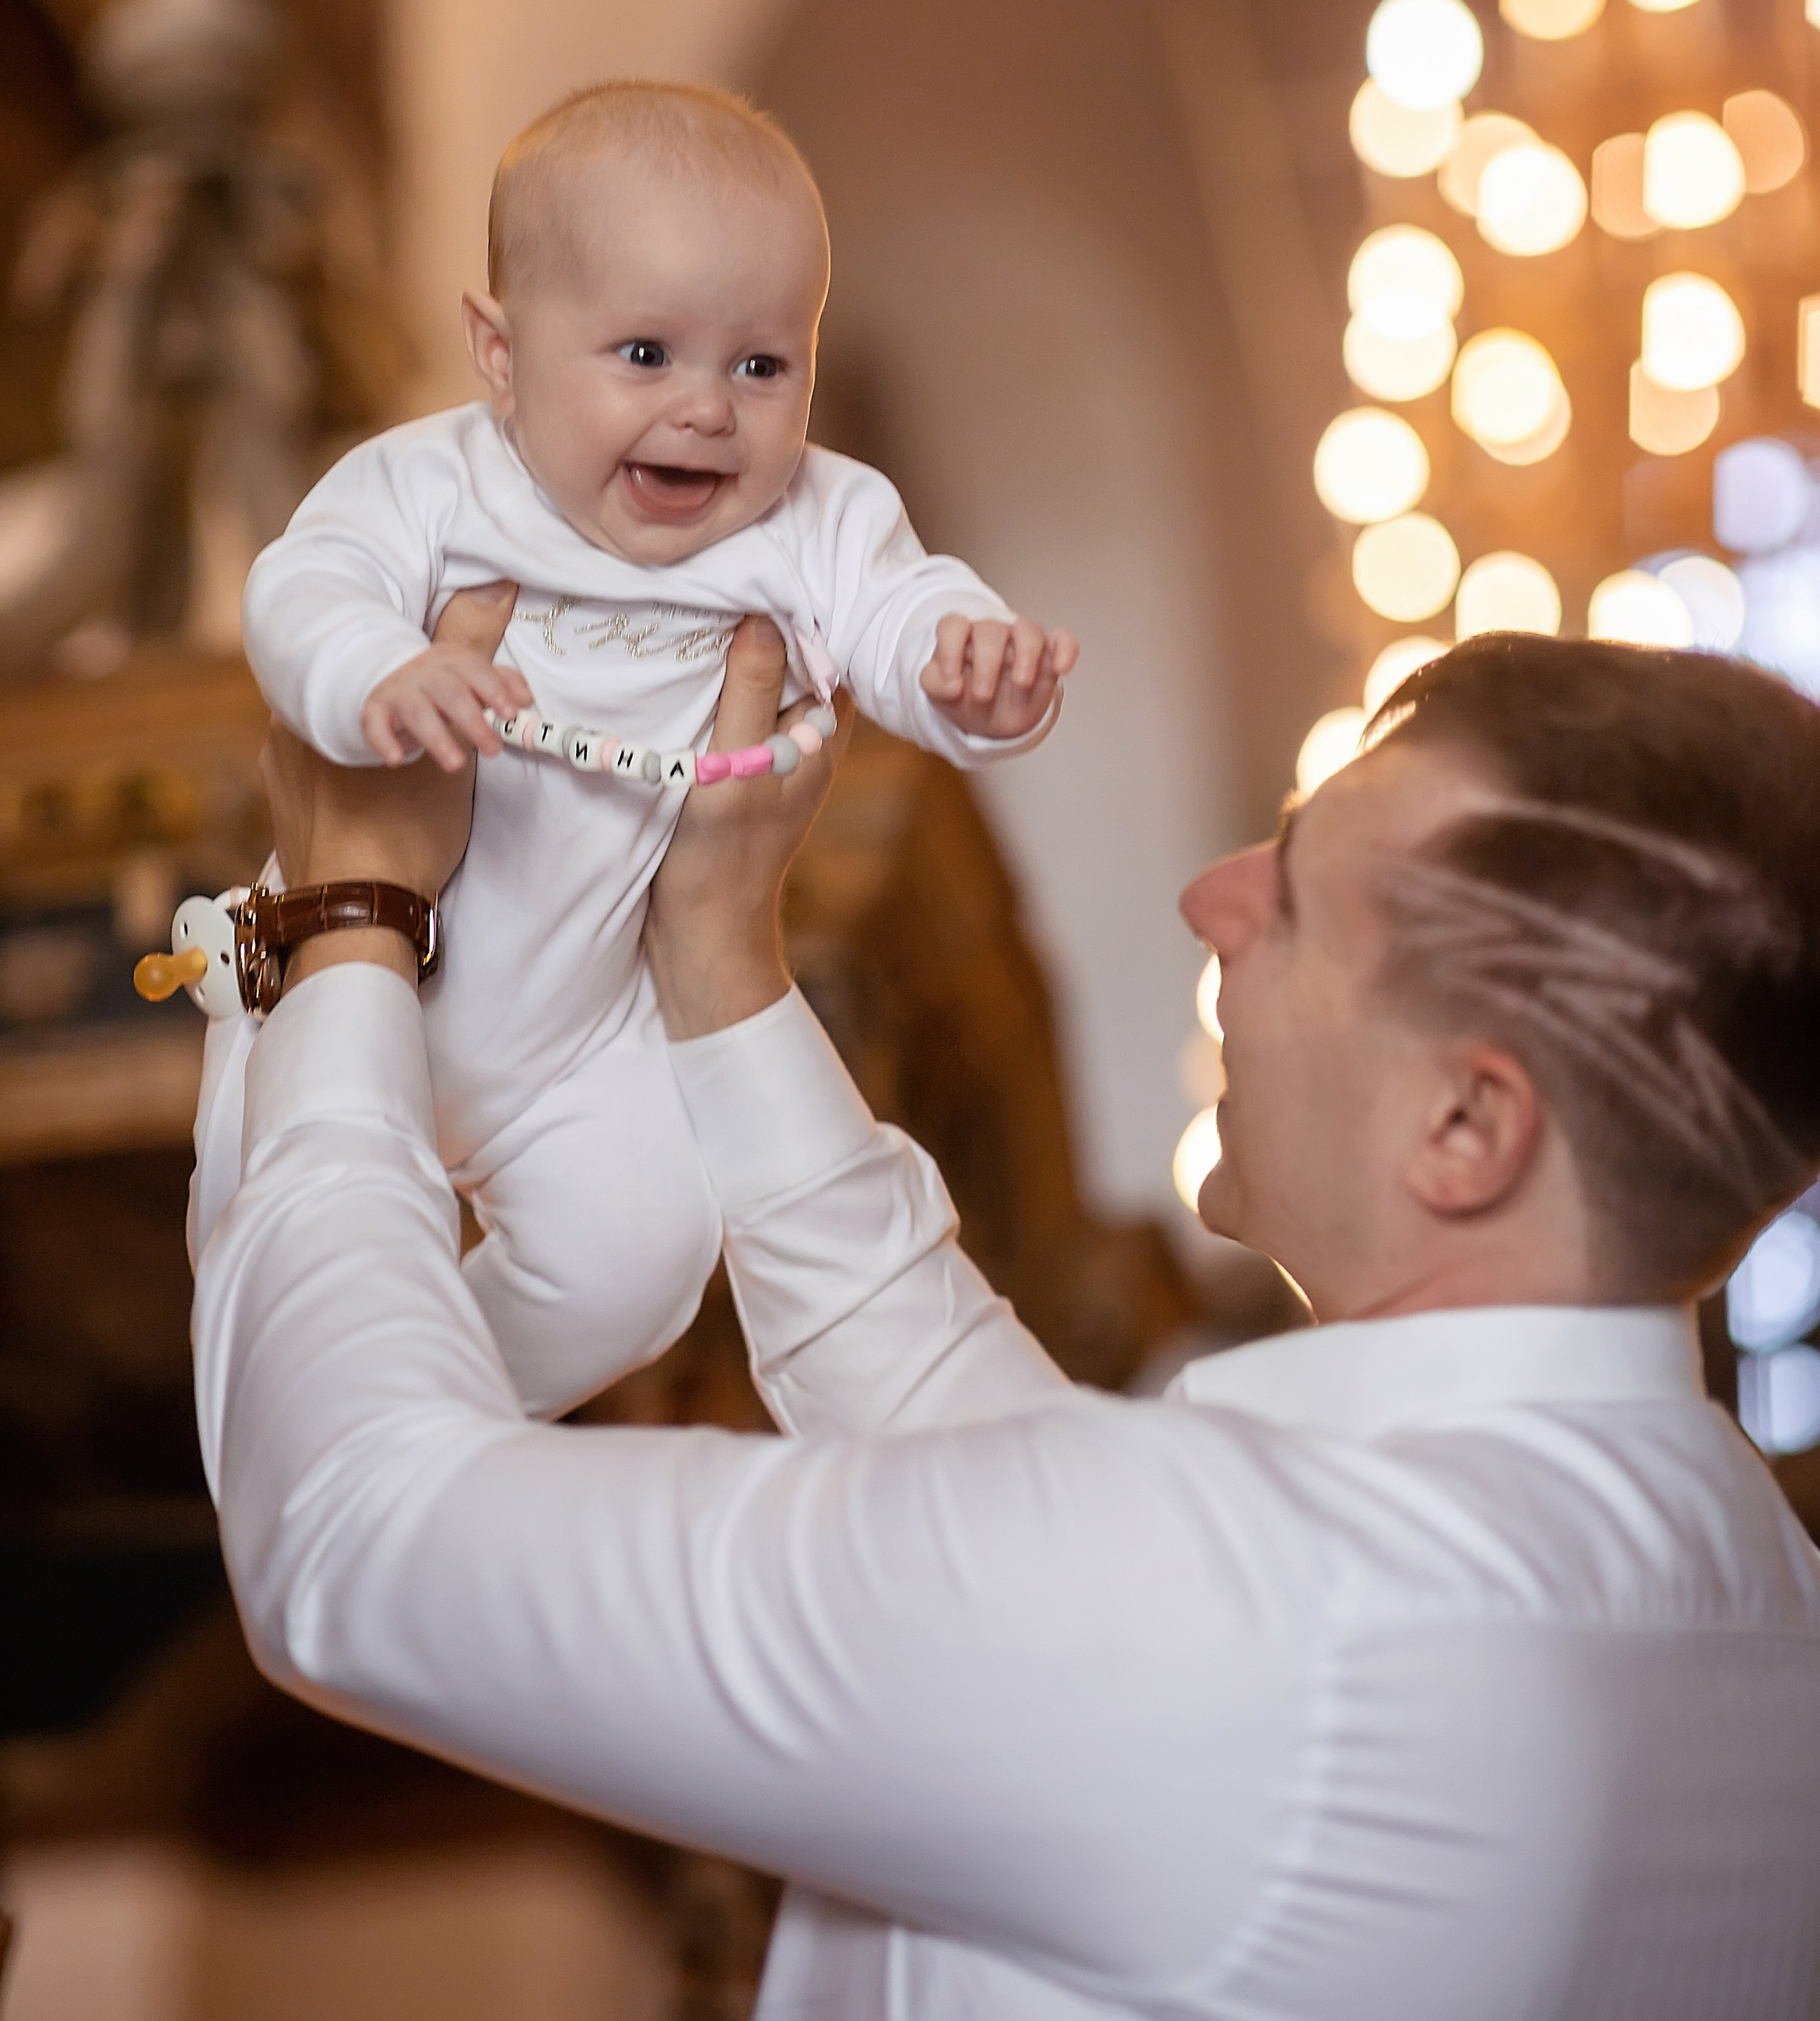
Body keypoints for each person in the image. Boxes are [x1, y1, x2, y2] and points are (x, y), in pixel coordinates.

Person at [193, 606, 1820, 2020]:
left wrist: (344, 914)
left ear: (1466, 1130)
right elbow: (1017, 1499)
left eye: (1301, 900)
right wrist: (721, 963)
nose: (1212, 897)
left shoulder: (1262, 1618)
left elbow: (357, 1535)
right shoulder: (1753, 1581)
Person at [204, 79, 1076, 1416]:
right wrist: (380, 671)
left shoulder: (816, 516)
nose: (709, 411)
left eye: (762, 364)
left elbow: (903, 610)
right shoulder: (436, 483)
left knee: (649, 1248)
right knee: (268, 1211)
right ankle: (287, 1407)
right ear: (501, 353)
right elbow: (301, 589)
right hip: (331, 954)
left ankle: (435, 1422)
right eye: (646, 354)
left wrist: (972, 671)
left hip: (585, 1033)